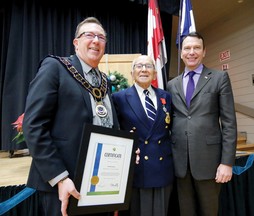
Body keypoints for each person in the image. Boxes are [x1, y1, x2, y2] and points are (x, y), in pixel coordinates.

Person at [23, 17, 119, 216]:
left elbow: (110, 127)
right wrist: (60, 177)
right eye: (89, 35)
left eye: (101, 37)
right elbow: (33, 125)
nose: (96, 40)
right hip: (64, 183)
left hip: (99, 183)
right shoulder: (55, 68)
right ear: (76, 43)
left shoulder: (104, 82)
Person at [167, 32, 237, 216]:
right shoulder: (171, 85)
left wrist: (227, 163)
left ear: (204, 51)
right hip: (180, 162)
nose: (192, 52)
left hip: (209, 162)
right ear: (181, 52)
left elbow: (229, 122)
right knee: (185, 211)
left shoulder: (219, 78)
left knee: (209, 212)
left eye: (196, 48)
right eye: (187, 48)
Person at [112, 55, 174, 216]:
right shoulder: (119, 98)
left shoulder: (165, 97)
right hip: (138, 168)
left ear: (154, 73)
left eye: (148, 66)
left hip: (163, 167)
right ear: (132, 73)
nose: (144, 69)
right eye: (139, 66)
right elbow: (115, 132)